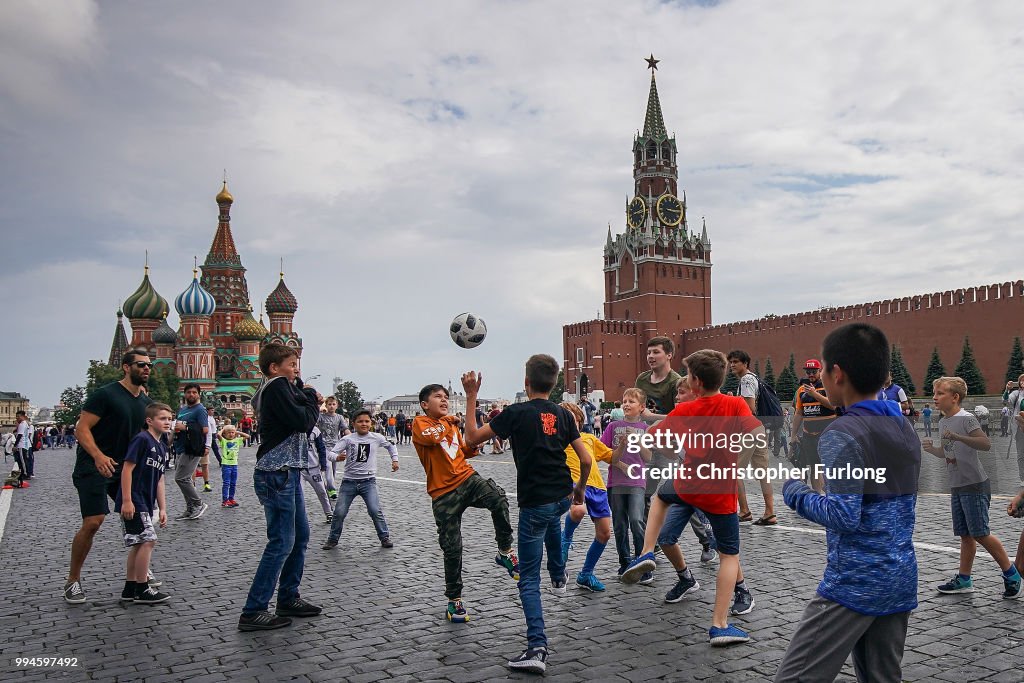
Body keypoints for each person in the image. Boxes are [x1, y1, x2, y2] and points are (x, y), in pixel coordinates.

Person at [776, 323, 922, 682]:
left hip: (854, 583)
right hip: (900, 576)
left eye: (823, 370)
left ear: (837, 373)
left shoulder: (841, 433)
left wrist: (795, 491)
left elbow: (844, 515)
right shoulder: (902, 425)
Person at [462, 356, 592, 675]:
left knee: (529, 578)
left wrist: (470, 396)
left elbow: (471, 439)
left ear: (526, 381)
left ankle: (537, 647)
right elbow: (586, 459)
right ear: (554, 382)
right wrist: (578, 493)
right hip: (562, 494)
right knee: (553, 524)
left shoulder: (516, 412)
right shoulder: (563, 413)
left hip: (535, 502)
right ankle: (559, 574)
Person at [622, 349, 762, 646]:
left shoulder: (685, 411)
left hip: (688, 482)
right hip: (720, 490)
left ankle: (646, 551)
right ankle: (719, 624)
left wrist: (673, 448)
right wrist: (736, 462)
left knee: (660, 495)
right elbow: (756, 432)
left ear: (695, 382)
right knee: (729, 555)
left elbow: (652, 439)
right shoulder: (735, 404)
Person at [411, 383, 518, 625]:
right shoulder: (421, 423)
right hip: (442, 494)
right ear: (424, 405)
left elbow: (460, 450)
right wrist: (448, 421)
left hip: (466, 479)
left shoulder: (449, 424)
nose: (444, 400)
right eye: (438, 397)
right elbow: (434, 437)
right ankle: (455, 600)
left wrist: (473, 446)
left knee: (498, 497)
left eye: (446, 397)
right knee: (452, 549)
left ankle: (505, 550)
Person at [238, 343, 322, 632]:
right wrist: (312, 396)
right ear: (274, 368)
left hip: (288, 472)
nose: (297, 368)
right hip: (277, 473)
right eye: (292, 364)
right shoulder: (275, 388)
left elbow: (299, 405)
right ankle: (254, 609)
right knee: (282, 542)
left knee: (300, 536)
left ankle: (288, 597)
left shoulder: (281, 389)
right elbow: (304, 421)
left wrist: (304, 393)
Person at [64, 349, 153, 604]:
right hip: (93, 465)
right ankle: (73, 580)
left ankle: (139, 577)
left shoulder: (144, 402)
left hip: (123, 468)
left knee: (137, 517)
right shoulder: (106, 394)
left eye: (149, 365)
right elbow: (82, 428)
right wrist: (98, 456)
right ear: (126, 367)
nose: (147, 369)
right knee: (93, 521)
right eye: (141, 365)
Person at [923, 376, 1022, 598]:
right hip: (957, 485)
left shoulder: (966, 419)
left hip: (974, 484)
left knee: (980, 533)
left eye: (940, 393)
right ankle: (964, 579)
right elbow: (948, 451)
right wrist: (934, 450)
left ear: (955, 397)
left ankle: (1011, 573)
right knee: (965, 535)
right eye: (934, 393)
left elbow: (985, 443)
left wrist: (958, 436)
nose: (934, 398)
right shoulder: (942, 422)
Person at [116, 402, 172, 604]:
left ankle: (130, 588)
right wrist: (127, 500)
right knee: (148, 541)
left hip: (146, 502)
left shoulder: (163, 446)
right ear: (149, 421)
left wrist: (162, 507)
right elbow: (127, 469)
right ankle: (142, 588)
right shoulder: (142, 439)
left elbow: (160, 479)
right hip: (134, 499)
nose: (167, 422)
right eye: (162, 418)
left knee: (139, 543)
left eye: (169, 418)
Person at [322, 409, 398, 549]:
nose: (364, 424)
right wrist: (337, 458)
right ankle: (332, 539)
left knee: (375, 510)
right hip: (349, 483)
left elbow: (391, 445)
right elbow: (331, 453)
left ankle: (384, 537)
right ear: (353, 424)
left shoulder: (377, 437)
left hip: (368, 482)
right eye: (360, 421)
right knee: (339, 512)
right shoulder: (347, 439)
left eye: (367, 421)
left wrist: (395, 460)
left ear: (371, 423)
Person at [558, 401, 614, 592]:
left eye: (570, 420)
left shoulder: (589, 439)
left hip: (598, 487)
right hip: (574, 484)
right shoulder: (557, 441)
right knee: (579, 509)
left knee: (605, 533)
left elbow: (610, 456)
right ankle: (565, 538)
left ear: (579, 421)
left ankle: (586, 574)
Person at [602, 388, 652, 580]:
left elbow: (648, 457)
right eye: (625, 401)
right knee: (620, 525)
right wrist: (620, 461)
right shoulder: (613, 426)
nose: (626, 404)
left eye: (631, 401)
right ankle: (625, 562)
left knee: (637, 521)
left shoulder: (645, 429)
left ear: (641, 407)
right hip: (616, 482)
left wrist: (638, 441)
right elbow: (604, 453)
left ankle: (642, 563)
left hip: (637, 482)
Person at [726, 349, 776, 525]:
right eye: (730, 362)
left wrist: (732, 402)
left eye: (736, 362)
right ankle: (770, 512)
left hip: (748, 429)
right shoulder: (754, 377)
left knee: (733, 471)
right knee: (763, 472)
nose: (732, 365)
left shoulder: (746, 380)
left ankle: (745, 511)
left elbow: (749, 408)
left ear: (745, 364)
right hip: (759, 429)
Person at [791, 359, 837, 493]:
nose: (811, 375)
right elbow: (799, 413)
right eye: (808, 372)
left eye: (814, 372)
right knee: (814, 467)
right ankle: (818, 497)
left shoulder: (828, 386)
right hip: (809, 434)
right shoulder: (801, 390)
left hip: (826, 433)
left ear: (820, 371)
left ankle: (831, 496)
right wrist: (793, 435)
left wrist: (814, 394)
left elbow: (833, 406)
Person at [172, 384, 209, 521]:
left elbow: (205, 429)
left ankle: (199, 503)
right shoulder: (183, 409)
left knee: (181, 478)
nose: (191, 395)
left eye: (194, 392)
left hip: (191, 448)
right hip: (180, 447)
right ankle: (190, 508)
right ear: (184, 394)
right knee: (184, 478)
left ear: (199, 394)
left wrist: (186, 427)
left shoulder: (200, 410)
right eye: (188, 392)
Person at [317, 397, 348, 498]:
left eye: (333, 404)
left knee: (333, 469)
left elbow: (345, 429)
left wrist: (351, 437)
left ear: (337, 406)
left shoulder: (339, 417)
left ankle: (329, 488)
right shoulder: (321, 417)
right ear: (326, 405)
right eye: (329, 404)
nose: (331, 406)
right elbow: (313, 423)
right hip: (324, 446)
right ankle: (332, 489)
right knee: (328, 467)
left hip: (336, 447)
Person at [218, 424, 247, 507]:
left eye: (232, 433)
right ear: (225, 434)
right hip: (226, 464)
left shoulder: (237, 440)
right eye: (229, 433)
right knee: (226, 483)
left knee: (233, 483)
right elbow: (218, 435)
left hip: (234, 464)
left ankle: (231, 499)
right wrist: (223, 430)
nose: (231, 434)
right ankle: (225, 500)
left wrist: (237, 432)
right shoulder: (224, 441)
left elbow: (247, 436)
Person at [1004, 374, 1024, 484]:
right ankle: (1023, 478)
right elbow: (1006, 401)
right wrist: (1007, 389)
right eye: (1021, 381)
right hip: (1020, 427)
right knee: (1021, 454)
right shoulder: (1016, 394)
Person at [13, 410, 32, 486]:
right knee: (24, 460)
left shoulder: (22, 424)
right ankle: (26, 473)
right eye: (16, 416)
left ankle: (25, 474)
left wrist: (15, 445)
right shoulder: (25, 424)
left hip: (21, 445)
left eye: (18, 416)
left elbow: (19, 435)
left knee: (23, 460)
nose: (17, 418)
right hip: (25, 445)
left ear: (23, 416)